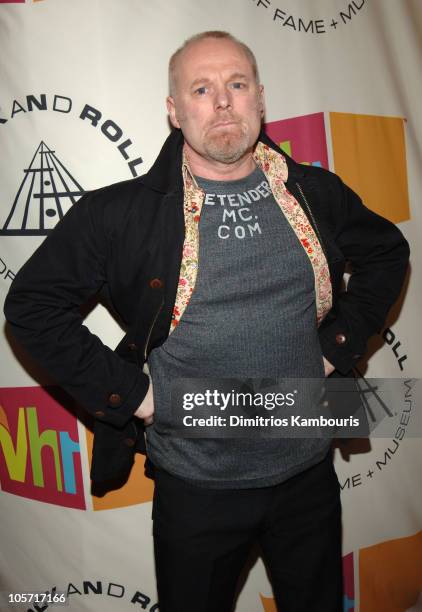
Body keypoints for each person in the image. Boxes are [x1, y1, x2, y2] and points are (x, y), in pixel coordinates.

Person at [4, 31, 409, 612]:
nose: (222, 101)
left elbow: (387, 254)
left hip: (308, 476)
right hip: (195, 488)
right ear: (174, 110)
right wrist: (137, 396)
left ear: (260, 100)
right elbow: (31, 308)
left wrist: (333, 347)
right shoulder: (119, 214)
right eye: (201, 88)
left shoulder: (316, 193)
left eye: (236, 85)